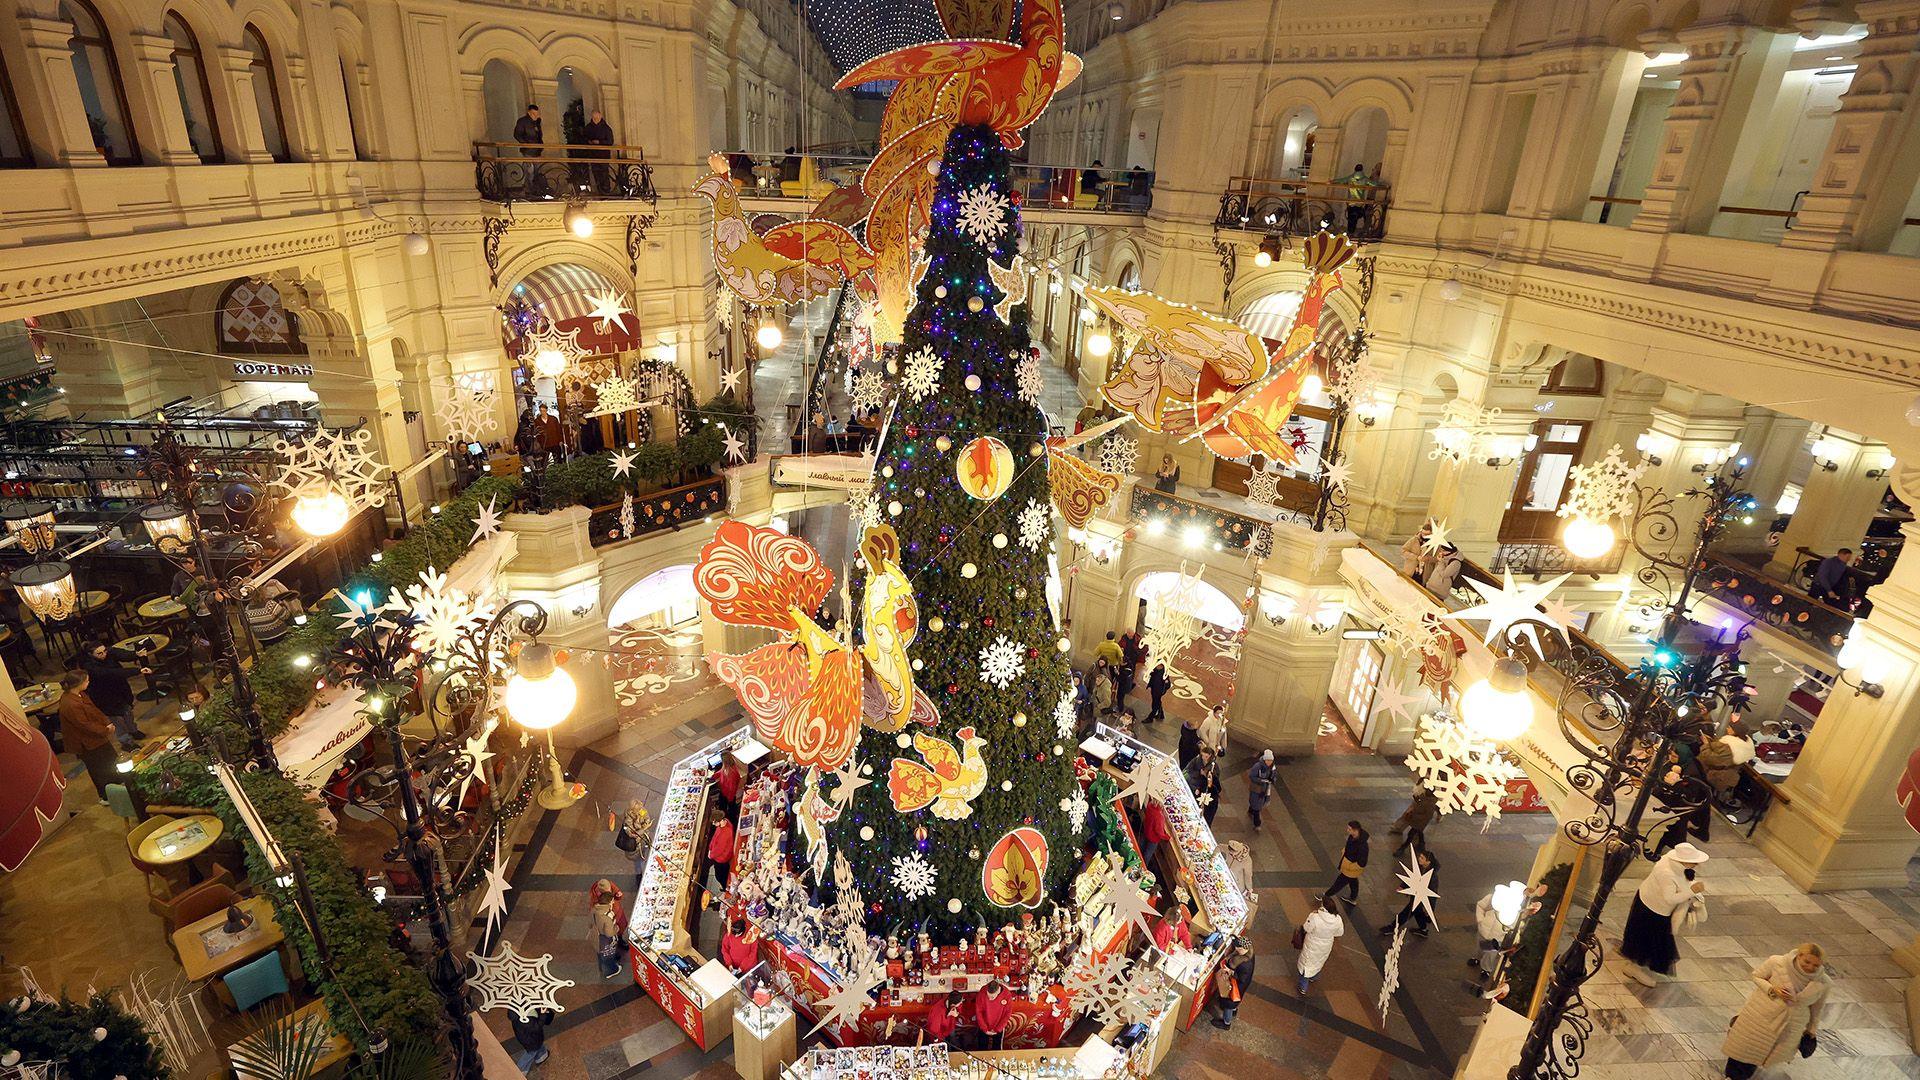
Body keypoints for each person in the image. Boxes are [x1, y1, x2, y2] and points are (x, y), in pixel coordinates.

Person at [1721, 943, 1829, 1079]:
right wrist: (1773, 990)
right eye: (1807, 962)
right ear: (1799, 956)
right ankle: (1733, 1076)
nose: (1810, 967)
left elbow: (1817, 1008)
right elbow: (1756, 976)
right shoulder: (1777, 962)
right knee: (1745, 1048)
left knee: (1766, 1052)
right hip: (1762, 1015)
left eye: (1816, 965)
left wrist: (1811, 1030)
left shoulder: (1824, 982)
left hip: (1790, 1025)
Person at [1619, 842, 1709, 986]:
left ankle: (1635, 965)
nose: (1696, 865)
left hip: (1655, 906)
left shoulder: (1673, 863)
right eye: (1694, 862)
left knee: (1652, 939)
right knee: (1648, 940)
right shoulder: (1666, 872)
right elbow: (1670, 898)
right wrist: (1692, 891)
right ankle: (1633, 967)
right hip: (1652, 909)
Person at [57, 670, 119, 804]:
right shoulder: (70, 704)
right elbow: (84, 725)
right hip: (86, 743)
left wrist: (106, 722)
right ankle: (106, 795)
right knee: (99, 769)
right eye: (86, 681)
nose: (88, 682)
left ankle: (117, 787)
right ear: (78, 683)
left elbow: (94, 710)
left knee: (111, 761)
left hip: (97, 738)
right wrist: (105, 730)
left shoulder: (81, 694)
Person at [81, 640, 149, 749]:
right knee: (117, 721)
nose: (104, 654)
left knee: (128, 712)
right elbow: (112, 673)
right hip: (105, 698)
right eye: (99, 653)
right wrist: (137, 671)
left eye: (104, 651)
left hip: (120, 691)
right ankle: (126, 742)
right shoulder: (90, 667)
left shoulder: (108, 654)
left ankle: (133, 730)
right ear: (91, 655)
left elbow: (120, 653)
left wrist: (135, 654)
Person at [1381, 847, 1439, 937]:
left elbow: (1432, 892)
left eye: (1422, 858)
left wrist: (1429, 907)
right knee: (1417, 913)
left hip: (1421, 900)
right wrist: (1402, 886)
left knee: (1405, 913)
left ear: (1428, 862)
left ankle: (1392, 927)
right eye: (1420, 856)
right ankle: (1423, 929)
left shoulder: (1432, 877)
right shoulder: (1420, 867)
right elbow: (1411, 878)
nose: (1419, 858)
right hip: (1416, 897)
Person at [1296, 897, 1344, 995]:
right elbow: (1339, 933)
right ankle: (1314, 977)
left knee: (1307, 964)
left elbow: (1306, 928)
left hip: (1312, 944)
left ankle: (1303, 986)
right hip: (1326, 945)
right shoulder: (1338, 919)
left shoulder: (1315, 917)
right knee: (1319, 960)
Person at [1211, 937, 1256, 1029]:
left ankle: (1226, 1023)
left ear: (1243, 949)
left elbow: (1241, 978)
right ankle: (1234, 1010)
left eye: (1238, 948)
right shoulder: (1250, 954)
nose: (1236, 949)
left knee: (1229, 1004)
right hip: (1242, 987)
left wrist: (1231, 972)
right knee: (1235, 1002)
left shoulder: (1245, 964)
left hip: (1236, 987)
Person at [1324, 820, 1369, 904]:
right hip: (1348, 865)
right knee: (1353, 881)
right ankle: (1353, 898)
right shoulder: (1352, 837)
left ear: (1355, 830)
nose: (1347, 830)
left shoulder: (1362, 846)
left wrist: (1350, 867)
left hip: (1350, 868)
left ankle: (1326, 895)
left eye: (1349, 829)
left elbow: (1362, 863)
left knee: (1339, 882)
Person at [1390, 780, 1439, 855]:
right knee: (1419, 833)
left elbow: (1428, 816)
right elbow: (1418, 802)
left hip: (1419, 822)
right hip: (1416, 820)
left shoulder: (1430, 803)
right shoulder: (1424, 797)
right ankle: (1421, 845)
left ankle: (1402, 848)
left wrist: (1415, 816)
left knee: (1410, 835)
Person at [590, 881, 625, 978]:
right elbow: (609, 933)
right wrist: (616, 929)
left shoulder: (595, 909)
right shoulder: (607, 917)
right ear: (609, 903)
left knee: (601, 954)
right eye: (612, 901)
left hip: (596, 937)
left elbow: (590, 922)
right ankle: (611, 971)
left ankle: (602, 967)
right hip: (605, 940)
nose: (613, 902)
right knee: (608, 955)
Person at [617, 799, 650, 885]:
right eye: (638, 809)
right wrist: (644, 829)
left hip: (644, 840)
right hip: (635, 846)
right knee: (639, 862)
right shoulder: (628, 818)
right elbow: (632, 834)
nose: (641, 810)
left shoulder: (642, 810)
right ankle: (640, 877)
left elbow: (647, 818)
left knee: (645, 857)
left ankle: (643, 874)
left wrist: (646, 823)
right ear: (633, 810)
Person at [972, 980, 1012, 1051]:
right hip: (984, 1026)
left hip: (998, 1027)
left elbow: (1007, 1014)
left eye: (992, 997)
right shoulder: (982, 992)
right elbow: (979, 1012)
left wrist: (998, 1029)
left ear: (998, 991)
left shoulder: (1007, 995)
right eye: (988, 996)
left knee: (997, 1048)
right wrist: (984, 1028)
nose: (990, 999)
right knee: (982, 1047)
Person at [582, 107, 614, 193]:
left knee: (604, 174)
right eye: (594, 118)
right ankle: (600, 191)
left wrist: (599, 142)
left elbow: (610, 141)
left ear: (600, 116)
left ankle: (606, 192)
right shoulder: (588, 128)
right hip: (593, 154)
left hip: (603, 155)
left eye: (597, 117)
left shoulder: (606, 129)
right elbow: (583, 139)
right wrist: (589, 142)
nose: (595, 119)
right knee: (596, 174)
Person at [1187, 747, 1222, 825]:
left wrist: (1206, 777)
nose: (1203, 758)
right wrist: (1199, 773)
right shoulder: (1196, 760)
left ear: (1210, 755)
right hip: (1197, 786)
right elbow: (1189, 770)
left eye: (1206, 756)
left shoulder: (1213, 767)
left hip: (1206, 796)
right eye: (1202, 755)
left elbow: (1216, 787)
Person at [706, 808, 736, 892]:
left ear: (719, 821)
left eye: (714, 822)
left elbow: (719, 849)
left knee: (719, 875)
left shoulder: (725, 833)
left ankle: (725, 886)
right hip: (721, 854)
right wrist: (710, 848)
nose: (713, 824)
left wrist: (711, 854)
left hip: (722, 858)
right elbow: (715, 837)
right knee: (723, 872)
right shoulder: (725, 822)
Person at [1247, 749, 1275, 828]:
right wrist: (1262, 780)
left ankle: (1251, 810)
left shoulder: (1272, 767)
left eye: (1271, 760)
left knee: (1257, 804)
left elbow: (1274, 775)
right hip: (1256, 789)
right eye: (1268, 760)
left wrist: (1272, 780)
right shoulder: (1257, 767)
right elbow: (1252, 776)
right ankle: (1257, 823)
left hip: (1265, 789)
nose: (1269, 762)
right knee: (1257, 806)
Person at [1340, 163, 1371, 233]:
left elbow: (1341, 180)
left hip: (1351, 202)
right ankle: (1353, 232)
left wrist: (1330, 181)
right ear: (1362, 170)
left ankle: (1350, 232)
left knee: (1350, 219)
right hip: (1360, 203)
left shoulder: (1350, 178)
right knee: (1355, 218)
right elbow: (1374, 184)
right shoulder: (1365, 179)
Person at [1140, 796, 1170, 867]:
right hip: (1153, 838)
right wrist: (1167, 837)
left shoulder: (1150, 805)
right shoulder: (1159, 817)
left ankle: (1138, 857)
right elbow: (1159, 832)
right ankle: (1143, 867)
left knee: (1142, 846)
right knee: (1147, 854)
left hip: (1146, 830)